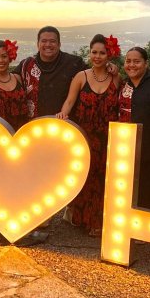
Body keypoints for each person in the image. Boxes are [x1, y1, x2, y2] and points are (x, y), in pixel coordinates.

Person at [57, 34, 121, 236]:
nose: (98, 56)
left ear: (108, 55)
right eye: (94, 52)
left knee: (103, 179)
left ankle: (99, 221)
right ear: (89, 52)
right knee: (86, 177)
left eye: (102, 53)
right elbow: (69, 101)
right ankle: (82, 218)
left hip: (107, 137)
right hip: (85, 135)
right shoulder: (81, 77)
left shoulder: (116, 78)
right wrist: (63, 114)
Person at [118, 47, 150, 211]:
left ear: (146, 63)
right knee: (125, 194)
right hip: (127, 152)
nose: (131, 65)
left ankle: (146, 234)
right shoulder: (122, 85)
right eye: (128, 61)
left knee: (148, 195)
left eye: (136, 61)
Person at [13, 26, 87, 118]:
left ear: (59, 44)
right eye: (44, 41)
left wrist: (108, 66)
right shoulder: (26, 65)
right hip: (33, 126)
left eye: (52, 41)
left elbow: (93, 76)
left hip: (65, 125)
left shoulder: (74, 63)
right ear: (38, 44)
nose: (48, 44)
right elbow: (7, 80)